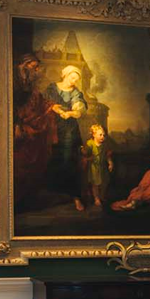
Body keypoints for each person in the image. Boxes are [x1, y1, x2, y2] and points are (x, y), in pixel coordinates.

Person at [12, 53, 56, 206]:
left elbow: (38, 100)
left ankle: (27, 197)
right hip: (19, 126)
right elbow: (12, 105)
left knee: (37, 156)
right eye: (34, 66)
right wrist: (17, 125)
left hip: (30, 125)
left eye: (38, 67)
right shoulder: (14, 81)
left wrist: (50, 105)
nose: (37, 70)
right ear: (25, 64)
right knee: (20, 161)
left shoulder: (30, 83)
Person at [45, 65, 87, 211]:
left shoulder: (76, 93)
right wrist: (56, 109)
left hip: (69, 130)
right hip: (51, 128)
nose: (74, 81)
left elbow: (79, 108)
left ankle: (75, 197)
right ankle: (53, 195)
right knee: (51, 158)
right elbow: (45, 103)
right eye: (72, 77)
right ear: (65, 75)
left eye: (77, 79)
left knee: (69, 160)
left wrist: (71, 113)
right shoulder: (52, 88)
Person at [82, 124, 114, 209]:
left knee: (104, 182)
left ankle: (101, 196)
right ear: (94, 135)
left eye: (103, 135)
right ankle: (96, 198)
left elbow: (107, 156)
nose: (102, 136)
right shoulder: (90, 143)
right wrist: (88, 157)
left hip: (103, 167)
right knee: (95, 184)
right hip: (94, 168)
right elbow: (85, 155)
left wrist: (110, 163)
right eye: (100, 135)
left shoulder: (105, 145)